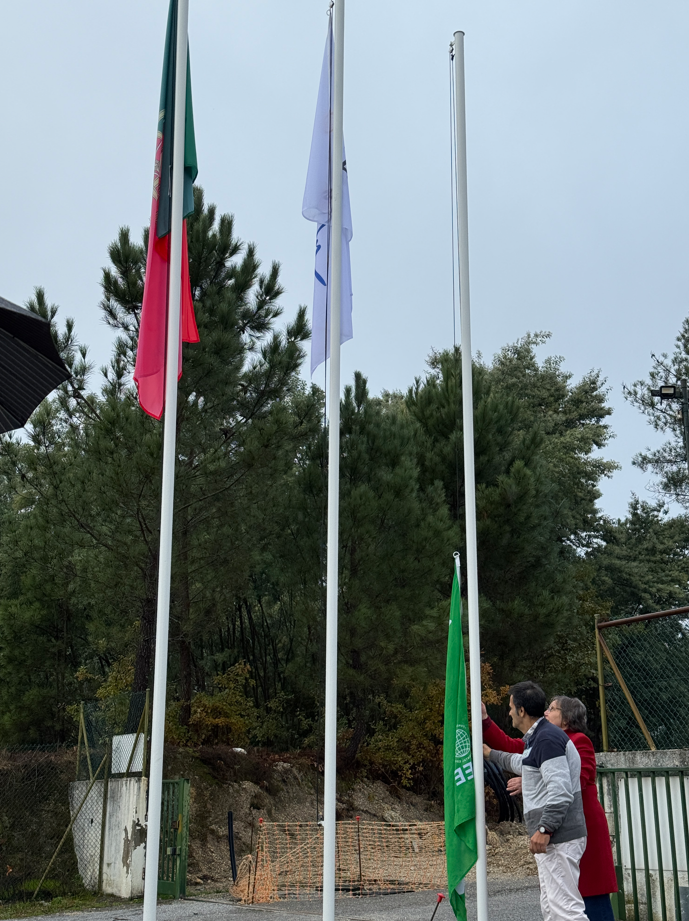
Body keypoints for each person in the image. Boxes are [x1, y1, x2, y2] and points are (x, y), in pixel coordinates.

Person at [482, 694, 618, 921]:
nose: (546, 712)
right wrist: (485, 721)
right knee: (558, 899)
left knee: (584, 898)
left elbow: (574, 779)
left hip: (576, 825)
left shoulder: (578, 741)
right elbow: (515, 750)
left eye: (553, 709)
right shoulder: (542, 739)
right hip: (558, 824)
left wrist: (530, 780)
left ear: (567, 719)